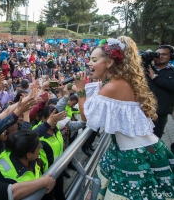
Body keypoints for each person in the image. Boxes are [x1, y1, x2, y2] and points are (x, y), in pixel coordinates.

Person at [75, 37, 174, 199]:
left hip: (135, 153)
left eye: (94, 60)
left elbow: (87, 119)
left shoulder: (113, 86)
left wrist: (80, 90)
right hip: (139, 147)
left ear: (109, 62)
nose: (89, 64)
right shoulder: (121, 81)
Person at [146, 45, 174, 138]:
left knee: (155, 140)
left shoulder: (172, 71)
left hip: (160, 113)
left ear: (171, 56)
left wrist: (155, 77)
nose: (160, 56)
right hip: (143, 111)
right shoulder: (145, 69)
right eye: (158, 54)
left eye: (164, 54)